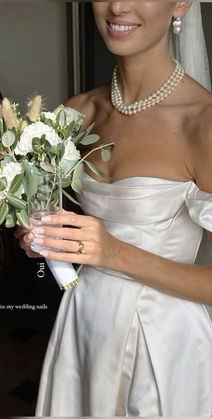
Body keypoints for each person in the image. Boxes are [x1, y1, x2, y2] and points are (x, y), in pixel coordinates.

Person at [17, 2, 212, 416]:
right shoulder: (77, 111)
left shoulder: (204, 123)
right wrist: (43, 239)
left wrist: (114, 252)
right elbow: (54, 222)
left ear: (181, 4)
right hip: (82, 321)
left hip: (162, 343)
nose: (118, 6)